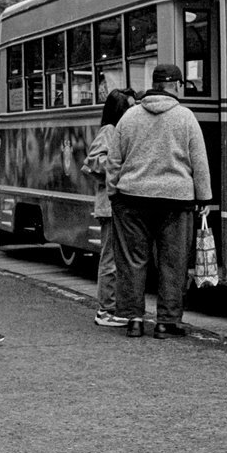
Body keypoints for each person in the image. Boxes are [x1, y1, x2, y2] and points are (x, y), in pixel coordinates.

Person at [108, 61, 214, 339]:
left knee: (132, 260)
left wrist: (113, 192)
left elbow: (113, 160)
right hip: (176, 201)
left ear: (153, 85)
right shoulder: (186, 117)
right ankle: (167, 321)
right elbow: (199, 162)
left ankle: (133, 319)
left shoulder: (129, 117)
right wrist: (204, 198)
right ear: (177, 85)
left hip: (131, 198)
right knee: (173, 261)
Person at [82, 89, 137, 328]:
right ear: (120, 110)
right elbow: (93, 161)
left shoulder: (120, 129)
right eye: (131, 106)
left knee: (115, 259)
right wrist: (121, 163)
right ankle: (105, 309)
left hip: (116, 204)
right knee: (110, 259)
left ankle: (113, 307)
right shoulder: (110, 130)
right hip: (109, 205)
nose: (135, 110)